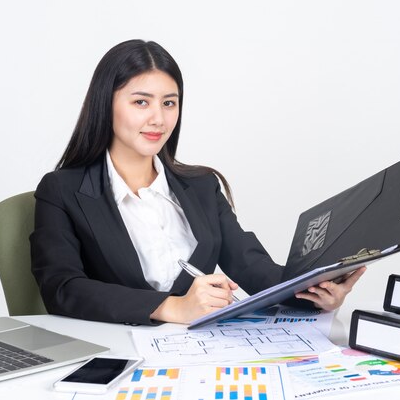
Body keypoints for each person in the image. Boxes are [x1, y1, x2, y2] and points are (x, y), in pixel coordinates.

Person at [30, 39, 365, 325]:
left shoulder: (202, 186)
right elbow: (62, 288)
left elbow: (252, 267)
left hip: (199, 355)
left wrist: (316, 293)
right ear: (106, 104)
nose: (158, 119)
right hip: (120, 356)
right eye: (141, 102)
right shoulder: (62, 190)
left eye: (169, 103)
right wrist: (174, 307)